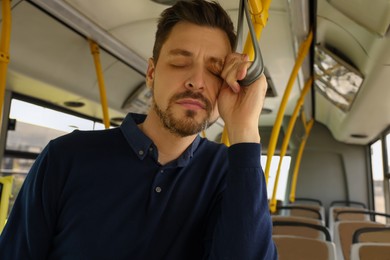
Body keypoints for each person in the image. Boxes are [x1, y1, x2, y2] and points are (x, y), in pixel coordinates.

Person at [0, 0, 277, 259]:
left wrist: (245, 132)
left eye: (215, 70)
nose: (196, 81)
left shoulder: (230, 172)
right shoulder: (65, 157)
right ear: (151, 74)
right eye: (180, 63)